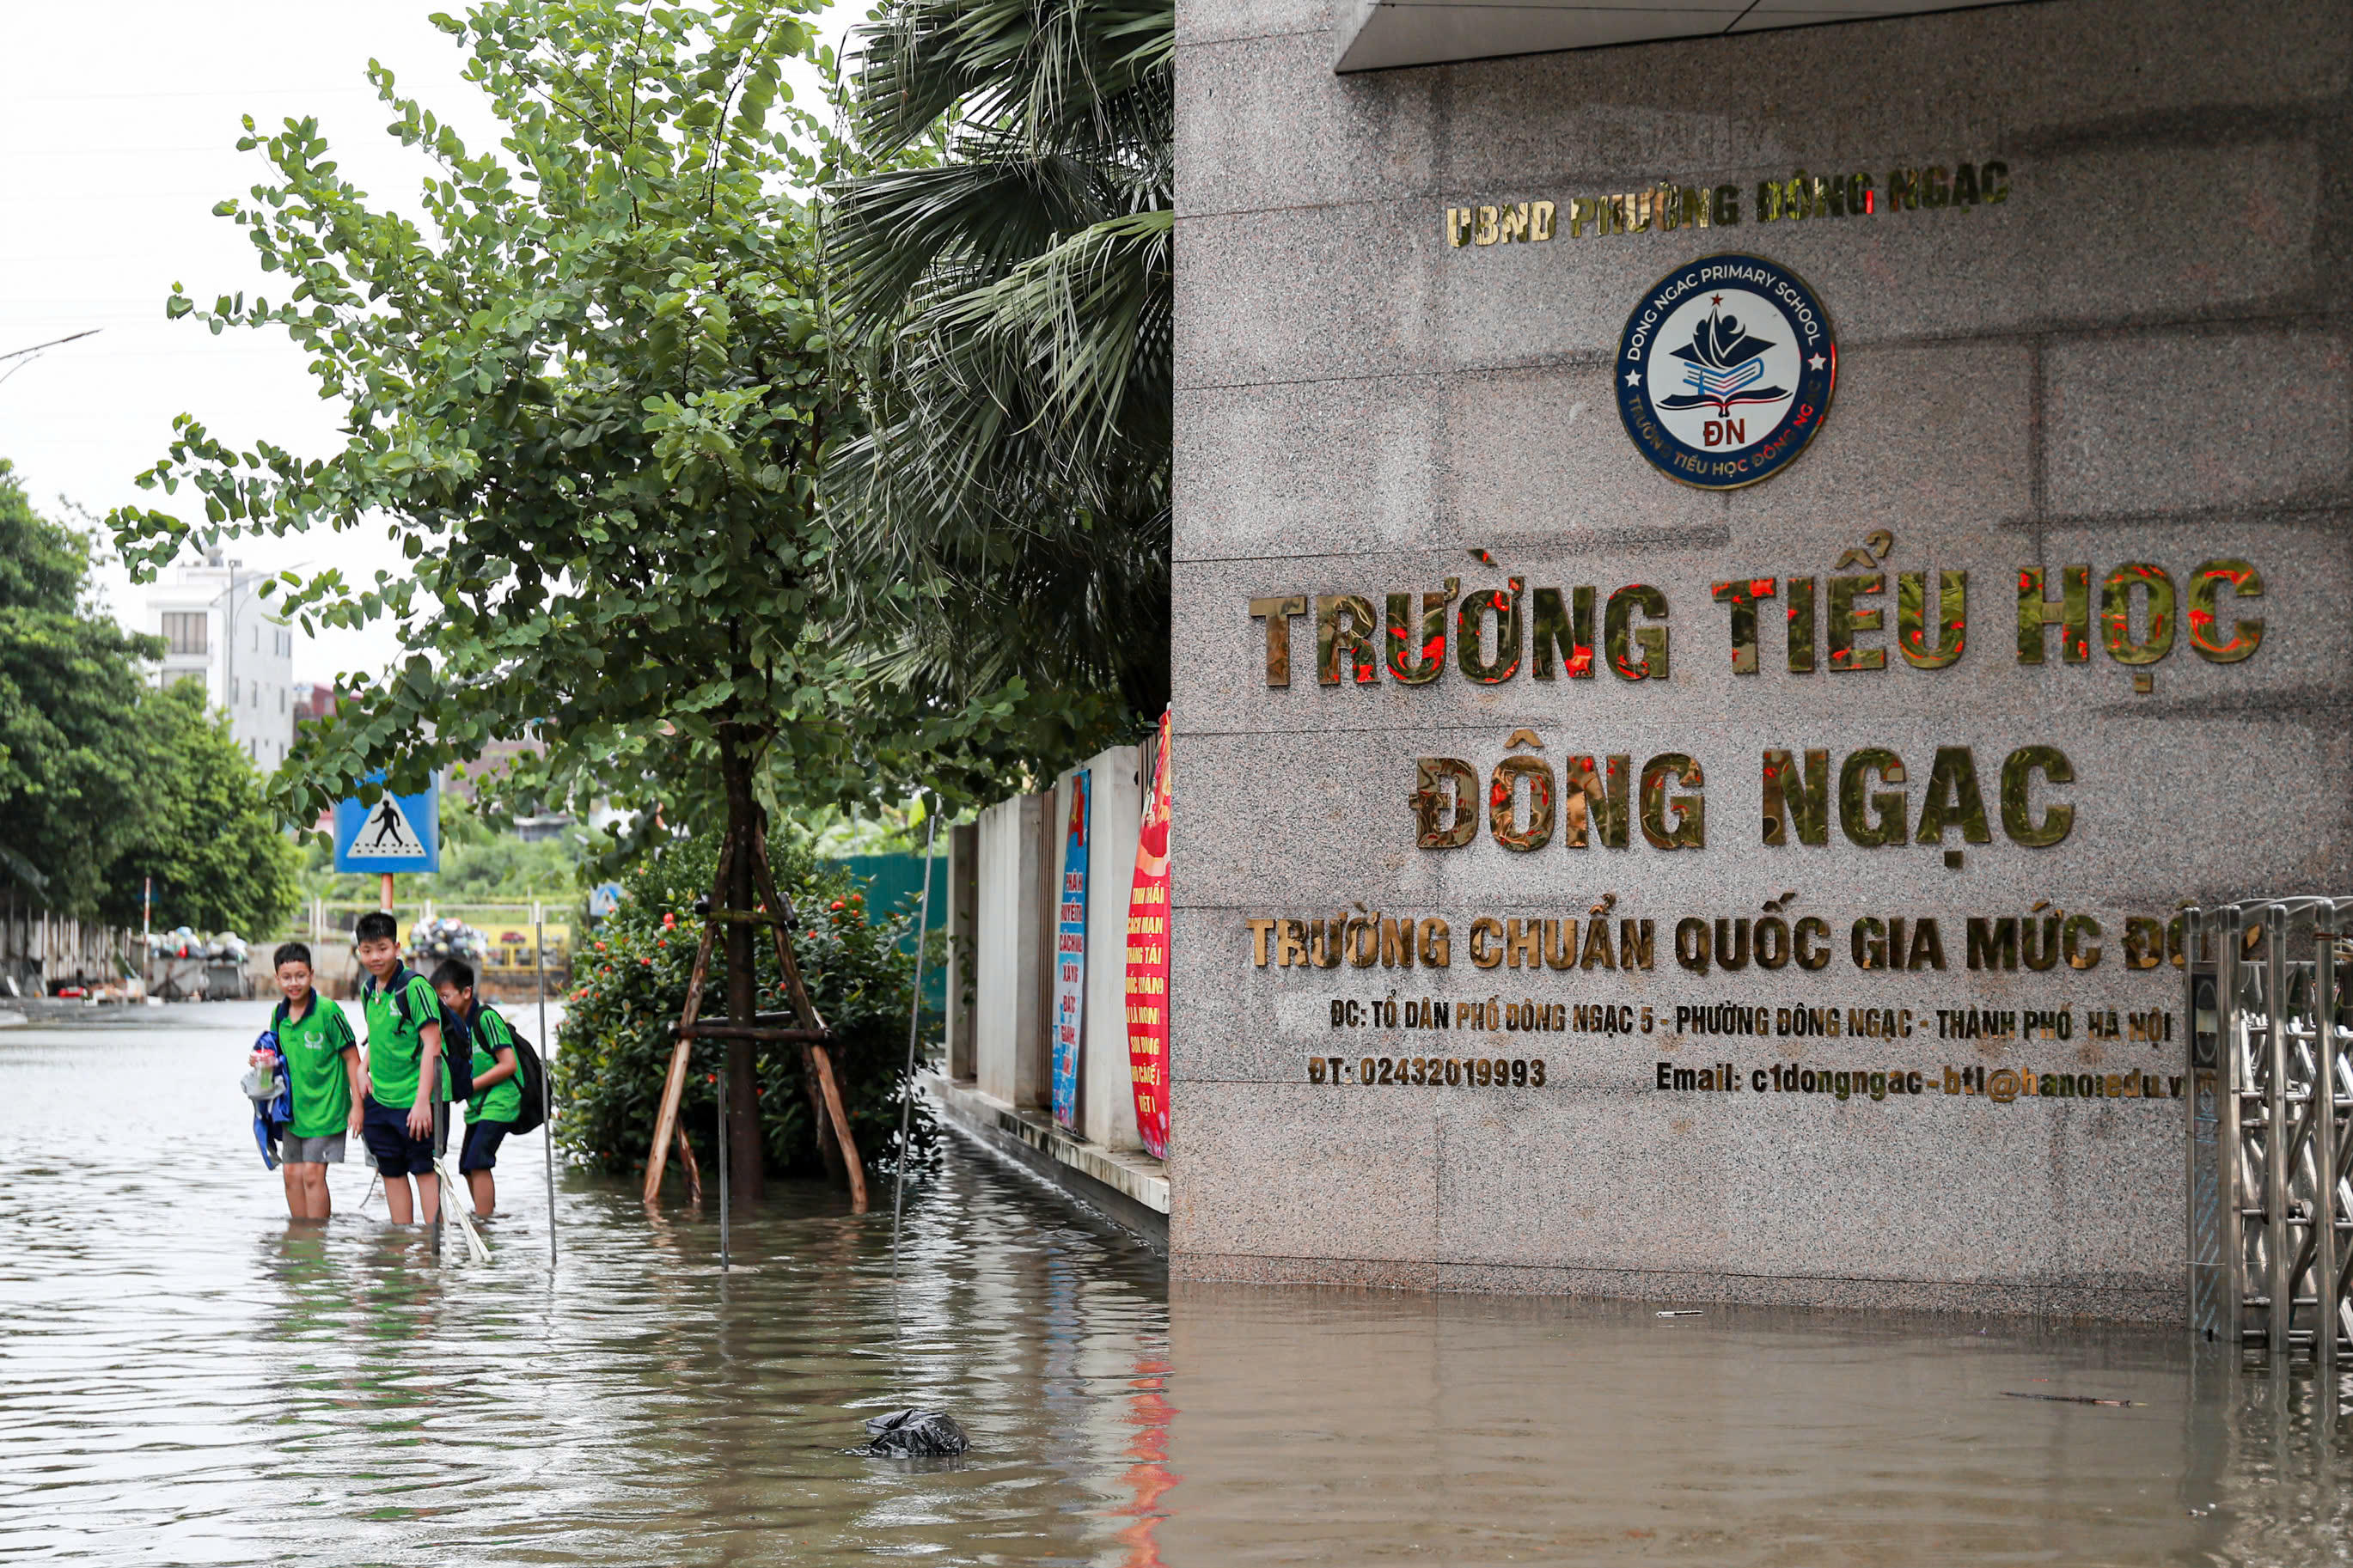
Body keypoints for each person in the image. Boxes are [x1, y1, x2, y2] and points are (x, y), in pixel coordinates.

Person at [353, 911, 447, 1224]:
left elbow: (432, 1045)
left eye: (382, 948)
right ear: (359, 952)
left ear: (397, 946)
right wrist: (362, 1069)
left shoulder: (413, 988)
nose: (375, 957)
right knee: (391, 1173)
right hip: (380, 1100)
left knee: (424, 1172)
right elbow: (378, 1038)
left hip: (415, 1101)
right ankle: (401, 1248)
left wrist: (423, 1102)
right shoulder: (369, 990)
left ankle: (432, 1249)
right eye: (367, 950)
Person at [267, 943, 364, 1221]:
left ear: (312, 974)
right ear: (277, 978)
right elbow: (275, 1054)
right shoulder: (279, 1014)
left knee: (312, 1173)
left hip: (328, 1109)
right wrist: (261, 1061)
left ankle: (318, 1239)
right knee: (291, 1174)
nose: (294, 983)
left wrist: (357, 1106)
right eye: (287, 977)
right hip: (294, 1112)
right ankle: (300, 1237)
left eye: (300, 976)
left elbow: (352, 1059)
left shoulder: (328, 1011)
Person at [432, 958, 522, 1219]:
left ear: (467, 992)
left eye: (446, 996)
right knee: (466, 1166)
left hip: (502, 1101)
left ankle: (485, 1220)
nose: (442, 1004)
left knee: (478, 1161)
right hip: (479, 1105)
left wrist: (468, 1086)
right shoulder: (456, 1027)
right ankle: (482, 1216)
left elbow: (508, 1064)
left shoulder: (486, 1018)